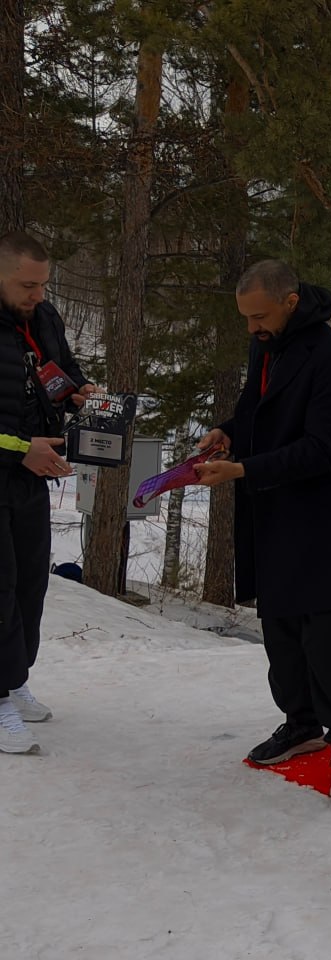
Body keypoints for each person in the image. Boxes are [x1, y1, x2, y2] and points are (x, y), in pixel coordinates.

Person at [195, 260, 331, 800]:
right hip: (273, 520)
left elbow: (323, 450)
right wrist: (227, 432)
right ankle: (301, 724)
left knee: (329, 645)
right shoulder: (267, 346)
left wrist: (245, 470)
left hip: (325, 528)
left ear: (291, 301)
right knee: (283, 637)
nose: (252, 327)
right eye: (246, 318)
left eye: (259, 316)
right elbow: (255, 408)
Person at [0, 231, 95, 754]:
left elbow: (58, 370)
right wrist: (18, 449)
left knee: (30, 586)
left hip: (32, 478)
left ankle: (14, 681)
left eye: (43, 285)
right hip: (13, 464)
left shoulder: (43, 316)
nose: (38, 295)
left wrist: (79, 392)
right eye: (28, 285)